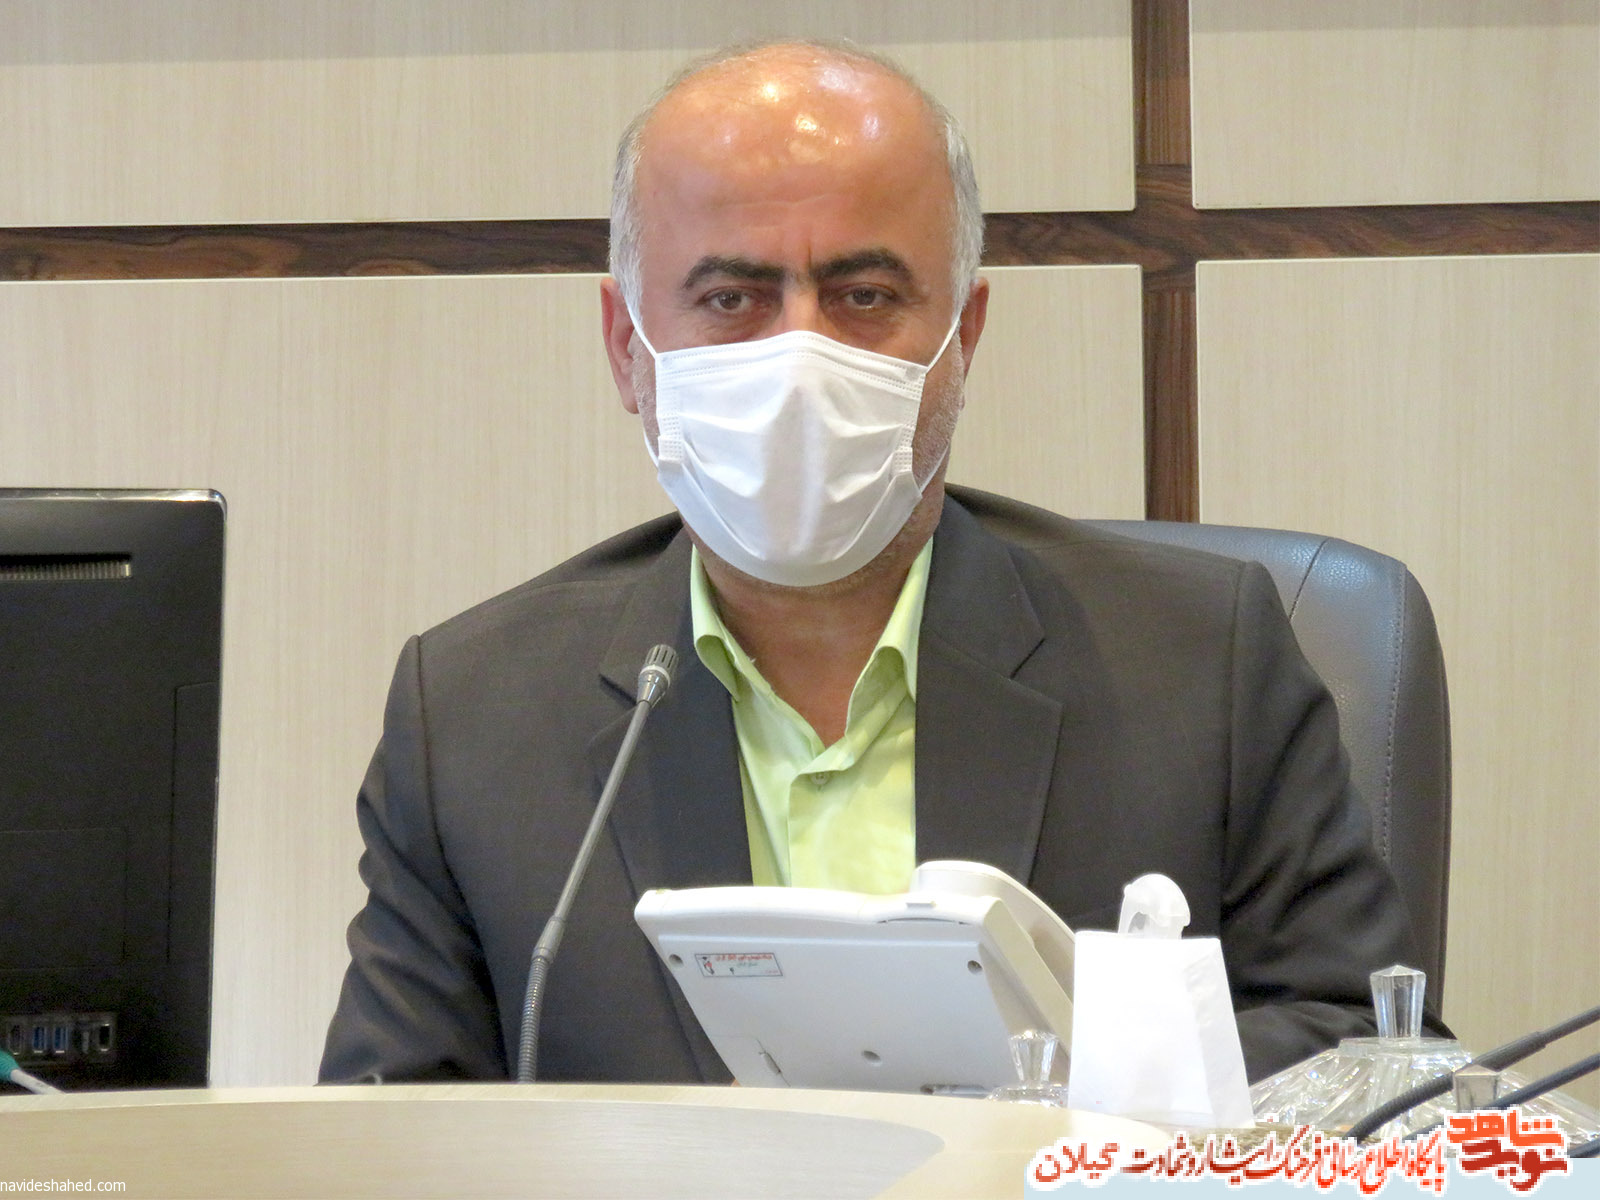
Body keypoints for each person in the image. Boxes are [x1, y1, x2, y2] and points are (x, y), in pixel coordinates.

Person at [321, 40, 1422, 1086]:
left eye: (864, 297)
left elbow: (1367, 1052)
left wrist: (1067, 1082)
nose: (798, 357)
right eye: (730, 299)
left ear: (963, 339)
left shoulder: (1199, 662)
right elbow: (393, 1125)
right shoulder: (471, 716)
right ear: (626, 347)